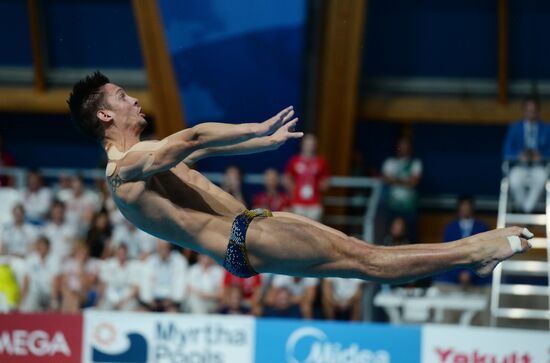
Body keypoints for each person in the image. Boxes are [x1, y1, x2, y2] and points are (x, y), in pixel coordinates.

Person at [67, 72, 532, 285]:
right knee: (364, 260)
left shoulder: (148, 158)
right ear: (106, 115)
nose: (134, 101)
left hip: (252, 227)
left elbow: (201, 147)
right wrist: (254, 127)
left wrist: (261, 146)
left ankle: (470, 258)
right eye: (123, 96)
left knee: (362, 256)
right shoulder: (122, 172)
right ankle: (476, 248)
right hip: (242, 236)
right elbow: (192, 137)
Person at [503, 97, 550, 213]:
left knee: (542, 177)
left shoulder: (546, 129)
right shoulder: (515, 128)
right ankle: (523, 207)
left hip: (538, 166)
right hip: (520, 165)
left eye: (534, 111)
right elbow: (506, 150)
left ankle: (527, 209)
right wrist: (518, 155)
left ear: (538, 112)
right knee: (514, 179)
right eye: (529, 111)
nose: (531, 114)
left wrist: (541, 156)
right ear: (523, 111)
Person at [382, 137, 422, 241]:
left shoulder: (415, 163)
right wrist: (405, 180)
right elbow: (386, 180)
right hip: (392, 204)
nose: (403, 148)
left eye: (406, 145)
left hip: (409, 205)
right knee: (390, 233)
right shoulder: (390, 162)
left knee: (411, 234)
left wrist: (395, 179)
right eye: (401, 145)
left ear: (410, 147)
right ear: (397, 147)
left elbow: (413, 182)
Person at [284, 134, 329, 221]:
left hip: (314, 203)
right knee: (297, 230)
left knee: (313, 231)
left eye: (312, 144)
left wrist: (319, 188)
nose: (309, 147)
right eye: (307, 144)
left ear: (315, 146)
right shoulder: (294, 161)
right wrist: (293, 190)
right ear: (302, 145)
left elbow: (325, 180)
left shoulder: (321, 162)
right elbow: (287, 178)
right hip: (297, 202)